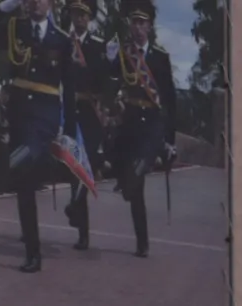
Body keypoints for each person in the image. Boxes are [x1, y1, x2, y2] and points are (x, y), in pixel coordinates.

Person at [0, 0, 81, 274]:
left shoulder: (61, 40)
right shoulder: (16, 27)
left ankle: (15, 165)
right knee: (24, 185)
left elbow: (69, 88)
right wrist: (4, 7)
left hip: (45, 117)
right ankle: (33, 254)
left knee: (23, 158)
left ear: (50, 4)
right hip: (19, 114)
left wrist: (70, 133)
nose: (36, 2)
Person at [99, 4, 170, 258]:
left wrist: (169, 139)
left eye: (143, 23)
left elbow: (169, 99)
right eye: (134, 23)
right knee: (135, 190)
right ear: (130, 25)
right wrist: (109, 60)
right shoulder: (124, 53)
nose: (138, 27)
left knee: (136, 173)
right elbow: (110, 81)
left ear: (149, 26)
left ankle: (128, 184)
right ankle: (142, 241)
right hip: (130, 122)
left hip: (151, 124)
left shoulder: (160, 57)